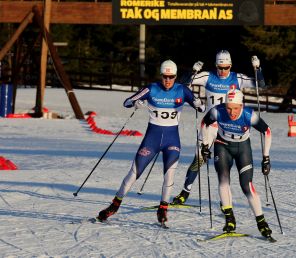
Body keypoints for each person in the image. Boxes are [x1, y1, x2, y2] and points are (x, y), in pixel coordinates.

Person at [97, 60, 205, 225]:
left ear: (175, 77)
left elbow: (202, 108)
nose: (168, 80)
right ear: (161, 76)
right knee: (134, 173)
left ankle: (163, 209)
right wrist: (136, 102)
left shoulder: (182, 90)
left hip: (172, 141)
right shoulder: (151, 88)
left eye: (171, 77)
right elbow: (126, 102)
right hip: (151, 140)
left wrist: (198, 104)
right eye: (165, 77)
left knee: (169, 175)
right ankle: (114, 205)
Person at [172, 50, 267, 205]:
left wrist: (258, 69)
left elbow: (260, 85)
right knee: (199, 159)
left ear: (230, 66)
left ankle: (226, 200)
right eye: (220, 68)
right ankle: (185, 192)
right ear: (216, 65)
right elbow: (183, 84)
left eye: (226, 67)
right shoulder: (208, 77)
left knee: (227, 163)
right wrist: (193, 71)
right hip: (211, 125)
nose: (223, 71)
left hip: (229, 127)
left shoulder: (238, 78)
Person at [200, 88, 273, 239]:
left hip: (242, 148)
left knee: (247, 185)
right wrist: (205, 145)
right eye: (228, 107)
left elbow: (267, 131)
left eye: (235, 108)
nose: (231, 112)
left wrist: (266, 157)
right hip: (222, 145)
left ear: (241, 105)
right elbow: (204, 123)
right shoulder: (217, 111)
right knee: (223, 180)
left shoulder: (249, 115)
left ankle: (261, 222)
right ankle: (229, 219)